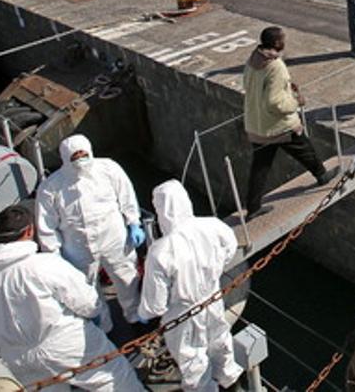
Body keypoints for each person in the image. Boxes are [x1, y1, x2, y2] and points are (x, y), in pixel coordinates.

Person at [0, 205, 144, 391]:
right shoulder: (44, 265)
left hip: (17, 359)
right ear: (29, 231)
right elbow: (88, 303)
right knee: (112, 379)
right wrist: (96, 317)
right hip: (64, 343)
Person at [140, 181, 242, 391]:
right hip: (212, 299)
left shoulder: (160, 251)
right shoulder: (212, 225)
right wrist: (214, 269)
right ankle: (233, 385)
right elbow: (230, 246)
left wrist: (143, 313)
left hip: (182, 314)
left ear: (161, 210)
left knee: (193, 361)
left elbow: (155, 305)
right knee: (221, 344)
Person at [36, 134, 145, 325]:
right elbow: (47, 225)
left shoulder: (108, 169)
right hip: (77, 247)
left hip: (114, 238)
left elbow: (126, 195)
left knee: (126, 277)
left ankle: (134, 314)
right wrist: (54, 254)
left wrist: (133, 222)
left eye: (83, 154)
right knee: (86, 288)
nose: (80, 160)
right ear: (65, 158)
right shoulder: (51, 187)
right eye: (75, 157)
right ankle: (102, 325)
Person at [243, 27, 336, 217]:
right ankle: (322, 175)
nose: (285, 42)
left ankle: (252, 207)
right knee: (303, 146)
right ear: (277, 43)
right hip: (277, 125)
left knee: (260, 167)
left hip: (256, 124)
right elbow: (275, 102)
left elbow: (251, 86)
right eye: (283, 39)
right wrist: (295, 102)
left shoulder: (253, 59)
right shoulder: (275, 65)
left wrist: (286, 87)